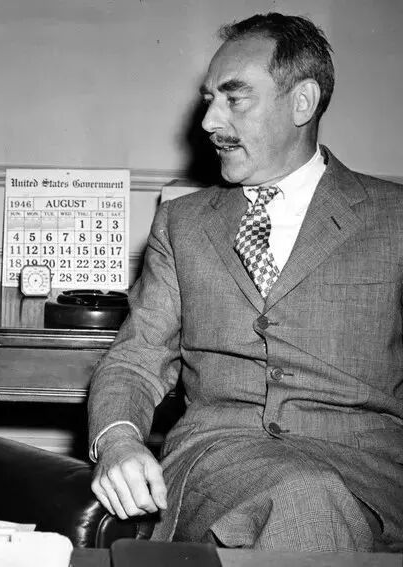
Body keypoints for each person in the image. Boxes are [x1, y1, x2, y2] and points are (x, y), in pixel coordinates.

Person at [88, 13, 402, 552]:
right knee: (306, 497)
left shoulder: (393, 217)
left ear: (302, 103)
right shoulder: (182, 223)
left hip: (371, 476)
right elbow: (136, 359)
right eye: (210, 100)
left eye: (235, 99)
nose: (210, 121)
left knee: (313, 497)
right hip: (219, 461)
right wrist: (118, 440)